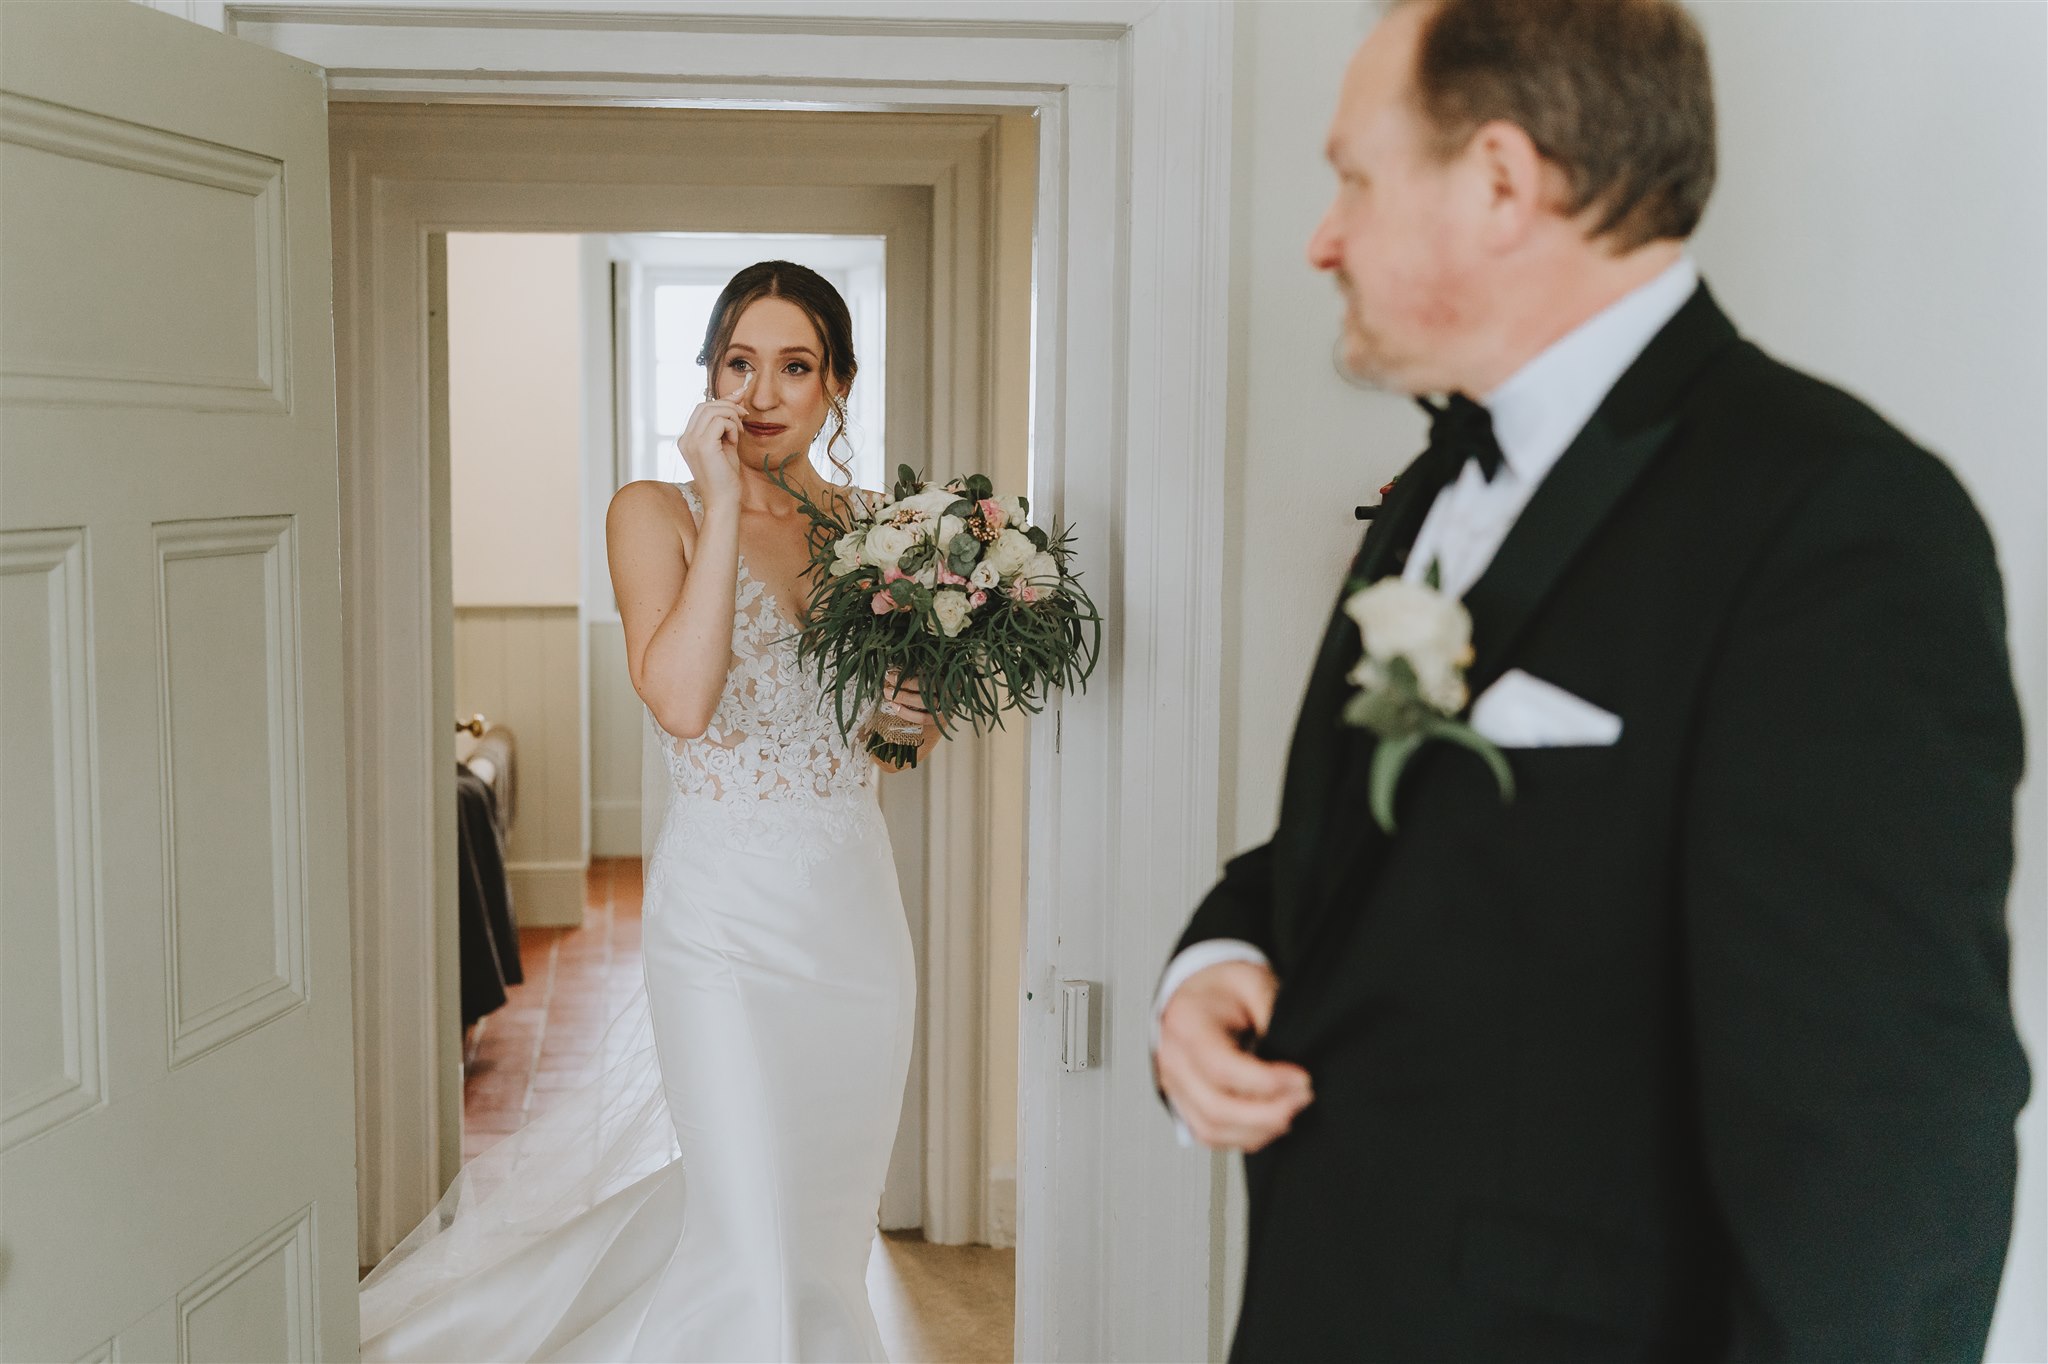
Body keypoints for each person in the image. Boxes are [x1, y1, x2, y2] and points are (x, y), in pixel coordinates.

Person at [1153, 1, 2030, 1359]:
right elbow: (1387, 854)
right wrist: (1219, 955)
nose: (1323, 237)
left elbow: (1887, 1148)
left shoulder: (1837, 522)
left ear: (1503, 178)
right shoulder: (1438, 484)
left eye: (1354, 177)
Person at [359, 260, 939, 1362]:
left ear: (838, 387)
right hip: (723, 922)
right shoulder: (652, 511)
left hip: (856, 922)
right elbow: (680, 699)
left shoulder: (879, 529)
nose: (763, 392)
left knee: (817, 1229)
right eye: (739, 362)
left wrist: (911, 714)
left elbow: (889, 743)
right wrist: (721, 505)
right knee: (749, 1221)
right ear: (708, 377)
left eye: (796, 365)